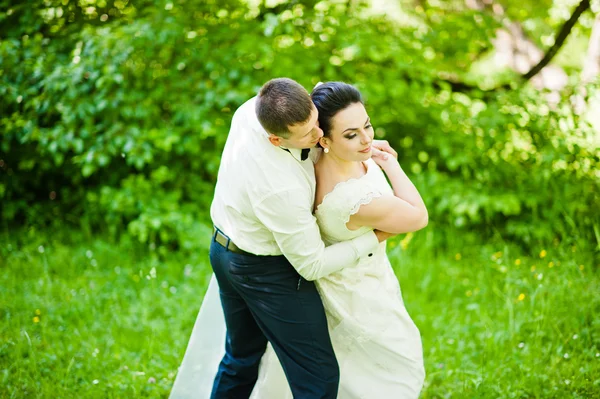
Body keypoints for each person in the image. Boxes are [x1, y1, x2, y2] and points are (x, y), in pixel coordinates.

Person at [169, 78, 396, 399]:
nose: (319, 135)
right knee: (318, 376)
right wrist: (373, 238)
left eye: (318, 122)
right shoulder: (280, 189)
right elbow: (312, 264)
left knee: (241, 358)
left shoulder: (254, 108)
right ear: (276, 139)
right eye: (308, 135)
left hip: (223, 249)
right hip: (262, 270)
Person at [249, 82, 428, 398]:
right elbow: (418, 217)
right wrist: (391, 163)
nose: (366, 139)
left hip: (339, 282)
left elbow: (316, 95)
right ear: (324, 138)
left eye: (367, 125)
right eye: (351, 134)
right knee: (393, 374)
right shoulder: (355, 198)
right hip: (360, 293)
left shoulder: (314, 155)